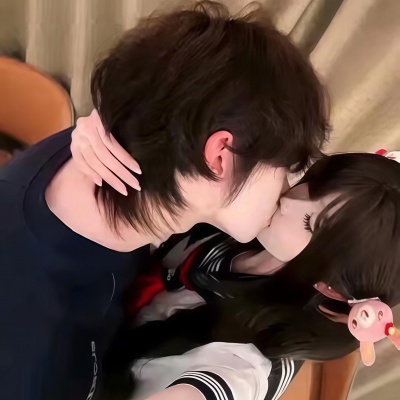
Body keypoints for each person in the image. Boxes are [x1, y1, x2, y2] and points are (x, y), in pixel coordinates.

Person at [0, 2, 329, 400]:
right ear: (220, 157)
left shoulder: (111, 145)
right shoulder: (28, 349)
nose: (288, 193)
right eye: (287, 169)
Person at [72, 130, 400, 400]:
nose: (290, 199)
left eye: (310, 224)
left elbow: (220, 385)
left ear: (331, 287)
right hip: (88, 301)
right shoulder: (258, 213)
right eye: (313, 185)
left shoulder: (251, 362)